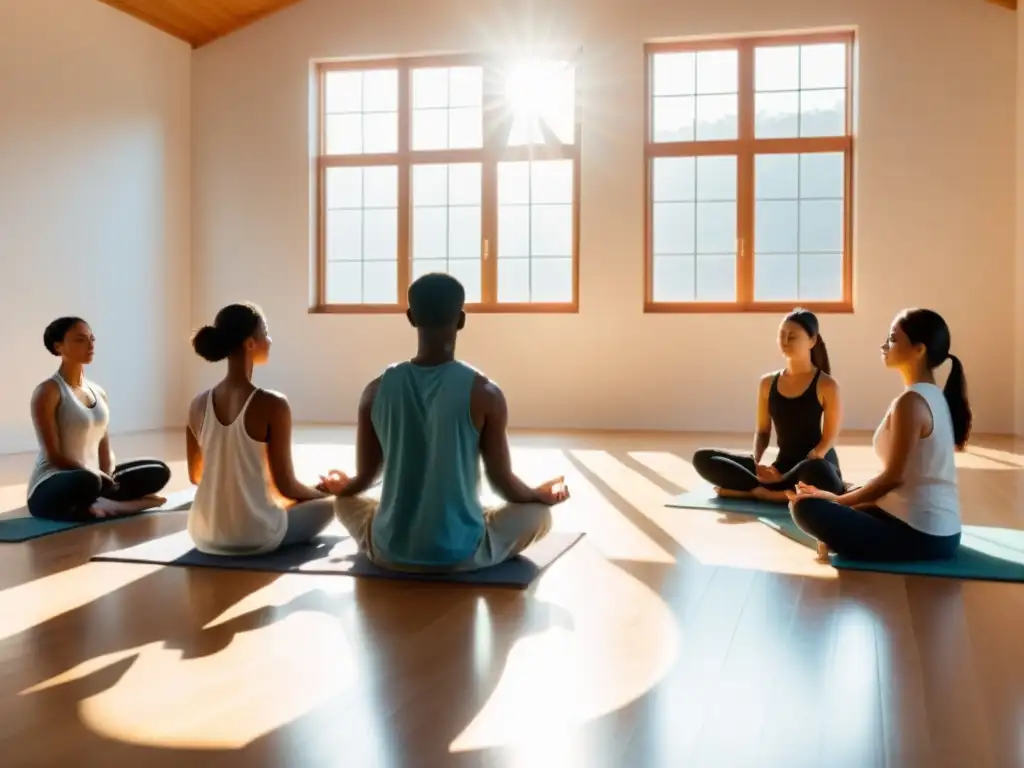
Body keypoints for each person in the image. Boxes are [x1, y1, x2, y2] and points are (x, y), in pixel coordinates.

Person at [319, 273, 569, 573]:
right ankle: (469, 521)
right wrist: (537, 495)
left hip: (389, 552)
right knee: (540, 516)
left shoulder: (375, 391)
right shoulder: (486, 392)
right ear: (461, 320)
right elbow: (502, 484)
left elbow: (367, 477)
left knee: (343, 503)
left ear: (411, 318)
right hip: (460, 555)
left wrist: (342, 486)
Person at [787, 308, 968, 562]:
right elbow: (904, 481)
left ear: (919, 349)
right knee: (819, 485)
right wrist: (838, 498)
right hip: (930, 527)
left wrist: (838, 501)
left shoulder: (912, 403)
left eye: (893, 338)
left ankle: (833, 514)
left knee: (805, 508)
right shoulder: (931, 395)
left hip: (922, 535)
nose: (884, 345)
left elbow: (894, 478)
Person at [185, 303, 334, 555]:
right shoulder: (273, 403)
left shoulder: (197, 404)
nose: (270, 340)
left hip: (204, 534)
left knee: (291, 499)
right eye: (265, 332)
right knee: (334, 503)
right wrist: (320, 494)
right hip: (256, 536)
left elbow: (196, 477)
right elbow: (287, 486)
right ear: (250, 343)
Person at [691, 308, 845, 502]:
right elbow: (763, 430)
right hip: (781, 468)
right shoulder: (767, 383)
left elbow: (829, 438)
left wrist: (808, 461)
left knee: (818, 474)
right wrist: (756, 463)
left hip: (814, 464)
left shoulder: (826, 384)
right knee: (703, 458)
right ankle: (777, 491)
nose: (785, 341)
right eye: (781, 335)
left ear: (812, 341)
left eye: (792, 336)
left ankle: (762, 493)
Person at [26, 317, 170, 521]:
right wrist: (95, 476)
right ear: (59, 347)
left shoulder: (98, 392)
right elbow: (53, 455)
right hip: (54, 481)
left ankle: (100, 504)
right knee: (88, 480)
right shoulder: (48, 391)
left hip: (94, 477)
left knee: (158, 471)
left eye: (92, 339)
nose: (90, 344)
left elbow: (104, 445)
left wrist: (107, 475)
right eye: (80, 340)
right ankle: (111, 505)